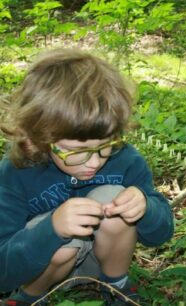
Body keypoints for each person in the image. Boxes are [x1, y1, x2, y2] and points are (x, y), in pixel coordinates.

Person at [0, 49, 174, 306]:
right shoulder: (16, 172)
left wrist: (145, 207)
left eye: (105, 145)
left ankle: (116, 287)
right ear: (39, 137)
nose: (94, 162)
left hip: (101, 264)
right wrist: (52, 229)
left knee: (114, 199)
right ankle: (29, 298)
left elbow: (161, 234)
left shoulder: (125, 159)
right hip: (39, 269)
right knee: (59, 234)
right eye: (75, 152)